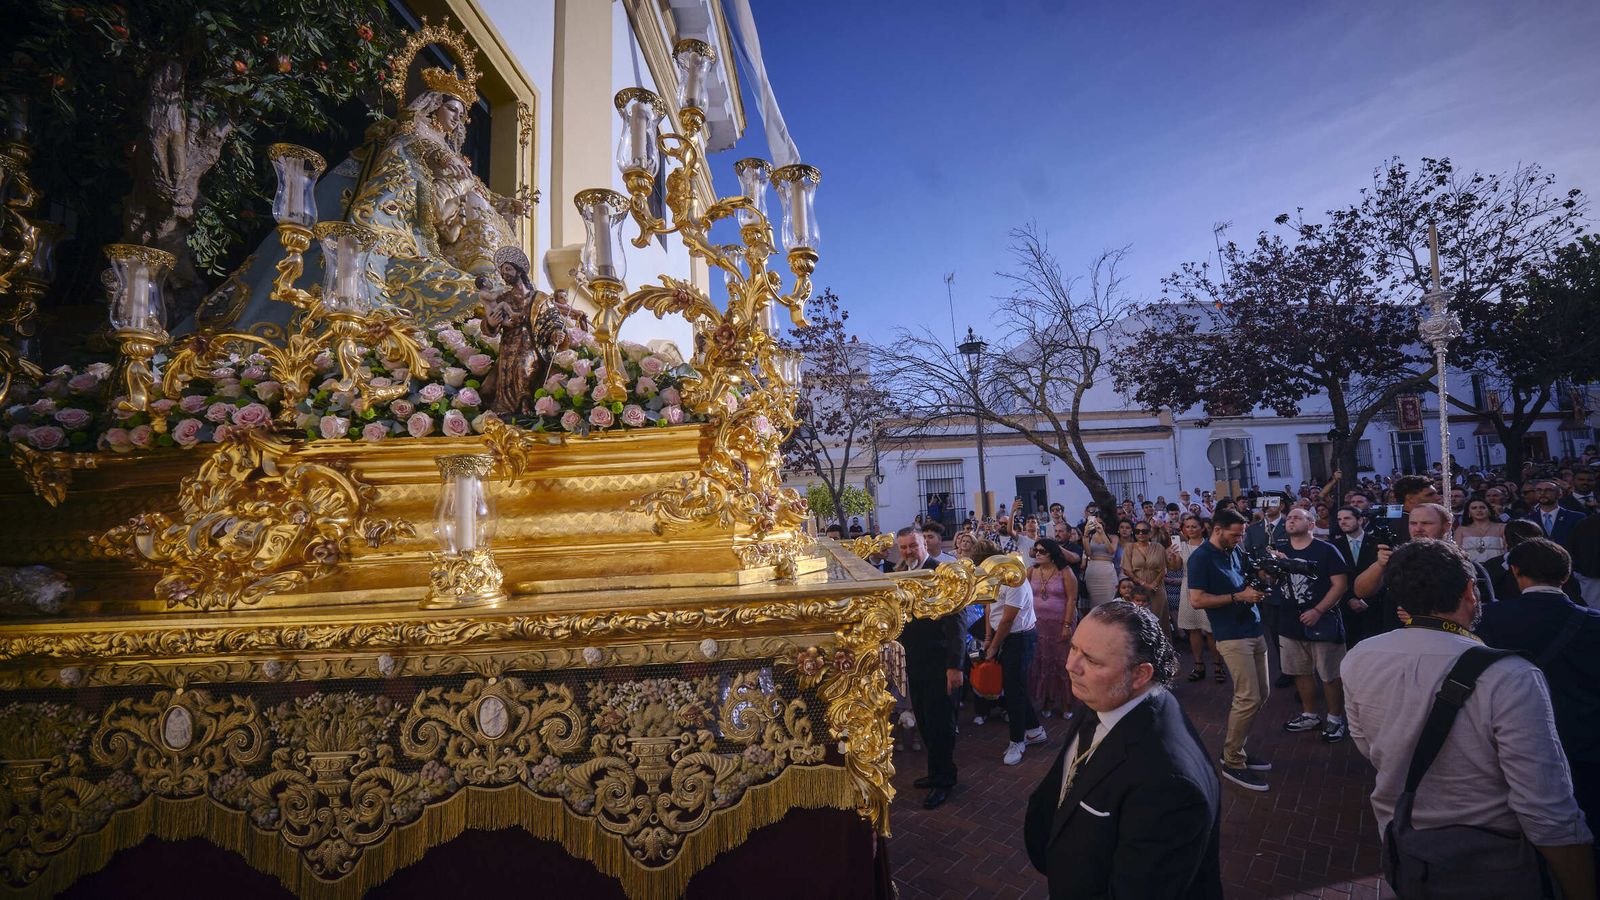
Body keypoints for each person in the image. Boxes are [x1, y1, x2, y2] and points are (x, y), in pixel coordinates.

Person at [1342, 539, 1595, 900]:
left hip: (1408, 850)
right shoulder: (1510, 674)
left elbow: (1368, 747)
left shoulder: (1359, 657)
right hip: (1496, 863)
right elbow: (1546, 808)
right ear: (1469, 590)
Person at [1023, 601, 1224, 900]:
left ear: (1141, 674)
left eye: (1092, 660)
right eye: (1074, 647)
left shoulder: (1169, 784)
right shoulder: (1107, 696)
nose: (1071, 665)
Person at [1477, 537, 1600, 873]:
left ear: (1516, 573)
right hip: (1584, 741)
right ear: (1566, 575)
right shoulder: (1594, 623)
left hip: (1515, 742)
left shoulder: (1488, 619)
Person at [1188, 508, 1273, 791]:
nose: (1239, 539)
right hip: (1231, 634)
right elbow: (1197, 600)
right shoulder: (1201, 558)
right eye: (1234, 534)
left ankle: (1239, 749)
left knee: (1262, 694)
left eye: (1241, 535)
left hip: (1254, 627)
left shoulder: (1233, 551)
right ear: (1217, 530)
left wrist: (1267, 570)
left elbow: (1245, 579)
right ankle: (1232, 759)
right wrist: (1239, 596)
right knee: (1248, 697)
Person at [893, 527, 964, 809]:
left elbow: (956, 622)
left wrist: (955, 666)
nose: (908, 551)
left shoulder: (941, 573)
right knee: (923, 720)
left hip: (940, 664)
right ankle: (936, 772)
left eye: (913, 546)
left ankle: (944, 781)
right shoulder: (901, 573)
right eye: (903, 547)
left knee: (941, 725)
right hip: (915, 663)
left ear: (924, 543)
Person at [1270, 508, 1351, 742]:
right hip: (1289, 622)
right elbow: (1273, 582)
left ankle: (1335, 719)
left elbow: (1340, 585)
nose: (1291, 520)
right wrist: (1270, 569)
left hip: (1322, 621)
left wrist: (1318, 610)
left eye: (1298, 517)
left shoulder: (1326, 550)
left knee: (1329, 674)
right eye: (1290, 518)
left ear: (1311, 524)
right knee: (1300, 672)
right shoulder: (1281, 551)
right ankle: (1310, 715)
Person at [973, 539, 1049, 765]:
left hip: (1019, 638)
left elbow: (1008, 619)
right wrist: (988, 638)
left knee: (1014, 691)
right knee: (1016, 686)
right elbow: (989, 607)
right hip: (1002, 636)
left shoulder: (1016, 579)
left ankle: (1018, 741)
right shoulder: (991, 576)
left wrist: (994, 645)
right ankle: (1035, 730)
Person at [1028, 538, 1078, 720]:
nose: (1038, 554)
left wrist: (1067, 625)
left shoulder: (1065, 572)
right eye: (1036, 551)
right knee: (1042, 662)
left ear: (1052, 553)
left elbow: (1072, 599)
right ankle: (1047, 701)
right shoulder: (1032, 571)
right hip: (1038, 625)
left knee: (1062, 663)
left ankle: (1066, 703)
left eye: (1042, 551)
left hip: (1060, 624)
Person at [1175, 516, 1223, 684]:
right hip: (1188, 587)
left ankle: (1218, 665)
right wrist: (1171, 555)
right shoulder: (1180, 546)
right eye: (1187, 527)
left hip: (1207, 587)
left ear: (1202, 528)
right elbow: (1174, 567)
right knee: (1193, 629)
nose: (1191, 529)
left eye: (1194, 526)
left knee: (1210, 629)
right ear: (1183, 530)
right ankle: (1199, 665)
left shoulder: (1210, 545)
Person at [1329, 506, 1380, 647]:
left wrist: (1366, 601)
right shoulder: (1334, 546)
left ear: (1360, 520)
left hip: (1375, 607)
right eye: (1339, 519)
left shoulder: (1377, 543)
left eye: (1347, 518)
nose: (1342, 522)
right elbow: (1334, 577)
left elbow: (1384, 575)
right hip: (1346, 607)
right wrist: (1349, 598)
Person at [1123, 521, 1172, 637]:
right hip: (1137, 590)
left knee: (1159, 621)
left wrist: (1154, 583)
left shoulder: (1158, 547)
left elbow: (1163, 568)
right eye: (1137, 531)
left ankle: (1161, 651)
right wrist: (1144, 584)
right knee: (1141, 622)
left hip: (1157, 587)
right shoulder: (1129, 547)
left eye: (1144, 531)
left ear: (1150, 533)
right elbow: (1127, 570)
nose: (1140, 534)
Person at [1524, 479, 1587, 553]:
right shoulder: (1527, 520)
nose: (1543, 493)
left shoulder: (1576, 517)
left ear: (1559, 495)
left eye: (1548, 490)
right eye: (1539, 490)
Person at [1082, 516, 1118, 610]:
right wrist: (1085, 534)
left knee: (1109, 602)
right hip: (1092, 570)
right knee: (1094, 604)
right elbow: (1088, 553)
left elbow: (1111, 550)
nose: (1098, 525)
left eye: (1100, 523)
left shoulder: (1113, 537)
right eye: (1095, 523)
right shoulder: (1090, 536)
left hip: (1107, 571)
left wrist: (1102, 533)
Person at [1454, 497, 1507, 563]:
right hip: (1471, 569)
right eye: (1474, 508)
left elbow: (1508, 551)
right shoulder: (1461, 530)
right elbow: (1457, 554)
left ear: (1489, 510)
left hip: (1498, 568)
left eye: (1482, 507)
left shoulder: (1502, 527)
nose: (1479, 510)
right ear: (1469, 512)